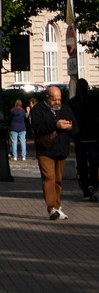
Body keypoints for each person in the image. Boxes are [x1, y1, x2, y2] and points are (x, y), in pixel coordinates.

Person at [28, 84, 79, 220]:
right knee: (49, 178)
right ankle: (51, 208)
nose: (57, 102)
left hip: (61, 149)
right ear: (47, 97)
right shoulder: (38, 110)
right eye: (54, 100)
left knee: (58, 180)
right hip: (45, 149)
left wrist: (70, 127)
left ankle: (57, 207)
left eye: (59, 99)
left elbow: (76, 128)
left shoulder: (66, 109)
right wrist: (55, 125)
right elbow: (37, 128)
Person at [72, 78, 99, 202]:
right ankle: (93, 184)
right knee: (94, 164)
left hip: (80, 138)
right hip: (93, 137)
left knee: (82, 165)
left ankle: (85, 191)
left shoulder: (73, 103)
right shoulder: (94, 101)